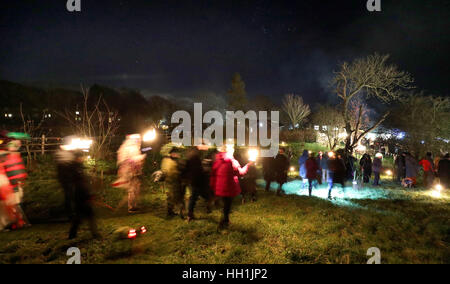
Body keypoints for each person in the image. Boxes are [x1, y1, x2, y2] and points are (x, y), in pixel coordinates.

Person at [55, 138, 100, 240]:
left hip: (81, 195)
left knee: (82, 217)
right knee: (85, 216)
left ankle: (76, 234)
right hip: (81, 195)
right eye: (81, 157)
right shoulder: (75, 169)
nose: (83, 158)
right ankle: (93, 234)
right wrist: (88, 194)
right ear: (77, 158)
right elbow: (81, 183)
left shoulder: (77, 167)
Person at [210, 144, 251, 229]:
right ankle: (224, 222)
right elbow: (240, 173)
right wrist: (248, 165)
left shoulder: (218, 161)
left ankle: (226, 220)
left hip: (219, 188)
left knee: (225, 204)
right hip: (228, 187)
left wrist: (213, 185)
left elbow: (213, 174)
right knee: (227, 206)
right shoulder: (232, 162)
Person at [0, 138, 28, 229]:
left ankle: (17, 222)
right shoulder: (6, 157)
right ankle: (17, 223)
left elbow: (18, 171)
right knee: (13, 205)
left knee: (15, 204)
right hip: (8, 185)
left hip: (12, 184)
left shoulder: (11, 156)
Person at [114, 134, 146, 213]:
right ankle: (132, 207)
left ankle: (134, 205)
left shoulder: (129, 148)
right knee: (132, 189)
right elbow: (129, 160)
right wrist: (140, 158)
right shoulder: (130, 148)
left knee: (135, 189)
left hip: (134, 172)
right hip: (130, 172)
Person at [184, 147, 212, 222]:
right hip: (198, 181)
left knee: (194, 198)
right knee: (204, 196)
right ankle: (191, 214)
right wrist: (204, 172)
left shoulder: (189, 158)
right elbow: (198, 170)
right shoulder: (195, 158)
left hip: (194, 181)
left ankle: (190, 215)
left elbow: (187, 169)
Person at [161, 147, 185, 218]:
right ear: (173, 154)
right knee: (174, 197)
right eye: (177, 154)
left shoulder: (167, 160)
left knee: (172, 197)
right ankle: (175, 212)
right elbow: (170, 172)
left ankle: (171, 211)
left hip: (172, 182)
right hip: (172, 182)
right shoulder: (170, 161)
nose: (178, 155)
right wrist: (178, 172)